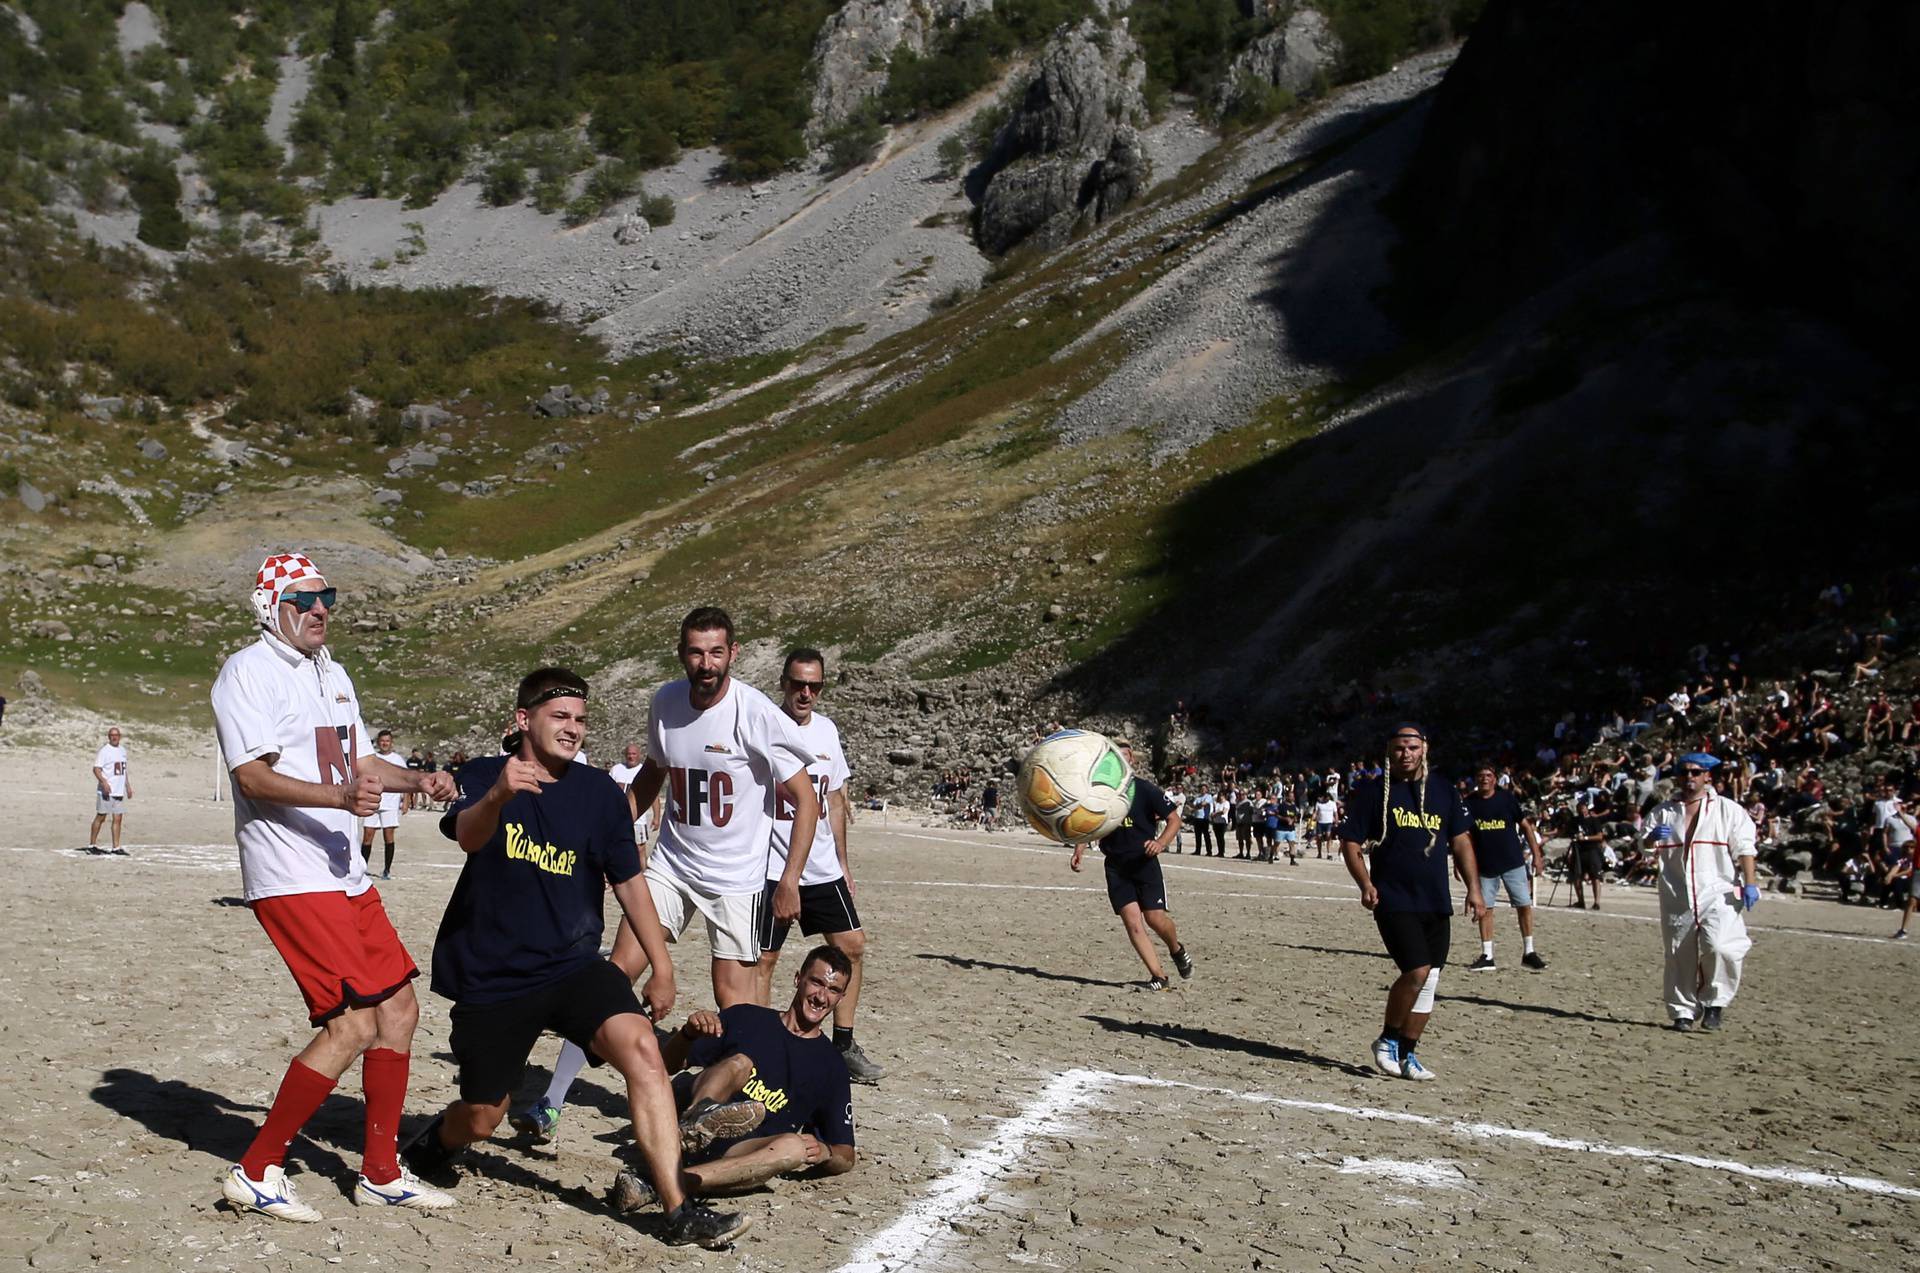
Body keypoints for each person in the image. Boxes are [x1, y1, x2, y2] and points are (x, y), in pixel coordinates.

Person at [401, 666, 749, 1249]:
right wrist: (498, 795)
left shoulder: (599, 796)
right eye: (560, 716)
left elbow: (630, 883)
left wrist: (661, 966)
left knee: (642, 1051)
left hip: (573, 966)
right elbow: (467, 835)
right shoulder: (487, 775)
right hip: (495, 976)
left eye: (581, 719)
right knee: (485, 1115)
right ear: (523, 719)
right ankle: (438, 1141)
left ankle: (678, 1206)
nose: (573, 729)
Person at [209, 552, 457, 1222]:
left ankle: (380, 1171)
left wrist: (418, 780)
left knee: (400, 1009)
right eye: (305, 599)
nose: (321, 610)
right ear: (271, 606)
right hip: (289, 874)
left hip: (341, 871)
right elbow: (252, 777)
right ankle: (258, 1167)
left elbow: (361, 760)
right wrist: (338, 794)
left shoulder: (332, 672)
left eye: (329, 598)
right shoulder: (247, 671)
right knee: (351, 1022)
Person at [514, 608, 817, 1141]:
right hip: (672, 865)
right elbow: (653, 775)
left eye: (717, 652)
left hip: (737, 879)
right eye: (696, 652)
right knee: (614, 974)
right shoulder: (665, 703)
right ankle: (551, 1102)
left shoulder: (757, 712)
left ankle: (741, 1110)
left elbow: (806, 800)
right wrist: (606, 834)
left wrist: (789, 878)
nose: (707, 664)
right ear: (682, 653)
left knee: (735, 1002)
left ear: (733, 653)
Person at [612, 946, 857, 1211]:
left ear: (841, 998)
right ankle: (698, 1121)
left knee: (794, 1148)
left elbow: (846, 1153)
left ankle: (666, 1184)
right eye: (817, 983)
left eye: (833, 990)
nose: (821, 996)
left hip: (742, 1154)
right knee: (740, 1063)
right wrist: (687, 1035)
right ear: (798, 979)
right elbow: (667, 1065)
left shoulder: (831, 1066)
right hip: (684, 1115)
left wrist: (825, 1153)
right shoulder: (748, 1018)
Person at [754, 649, 885, 1084]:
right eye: (797, 684)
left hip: (823, 868)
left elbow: (833, 801)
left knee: (853, 946)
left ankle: (843, 1043)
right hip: (773, 867)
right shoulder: (763, 726)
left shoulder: (827, 731)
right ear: (783, 682)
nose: (805, 692)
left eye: (815, 685)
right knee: (764, 960)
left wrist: (844, 864)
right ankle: (758, 1048)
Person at [1339, 724, 1485, 1081]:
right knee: (1417, 970)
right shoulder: (1374, 793)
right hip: (1394, 897)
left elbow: (1462, 841)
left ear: (1424, 749)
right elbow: (1350, 842)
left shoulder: (1444, 791)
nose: (1406, 753)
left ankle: (1408, 1053)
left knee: (1431, 979)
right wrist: (1365, 883)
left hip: (1435, 899)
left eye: (1412, 747)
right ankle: (1387, 1040)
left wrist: (1474, 889)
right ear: (1389, 752)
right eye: (1399, 748)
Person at [1644, 753, 1758, 1032]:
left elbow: (1744, 848)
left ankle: (1715, 1003)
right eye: (1684, 772)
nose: (1689, 777)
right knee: (1679, 953)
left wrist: (1751, 882)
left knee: (1721, 946)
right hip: (1677, 893)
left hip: (1718, 890)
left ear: (1708, 776)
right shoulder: (1663, 812)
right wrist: (1649, 839)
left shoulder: (1728, 810)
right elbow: (1645, 846)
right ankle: (1682, 1010)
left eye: (1696, 772)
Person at [1069, 737, 1194, 992]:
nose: (1120, 761)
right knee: (1133, 923)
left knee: (1155, 919)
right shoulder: (1101, 793)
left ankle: (1176, 949)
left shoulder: (1145, 789)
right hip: (1116, 866)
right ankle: (1159, 976)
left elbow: (1174, 819)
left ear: (1131, 760)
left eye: (1124, 756)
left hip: (1144, 863)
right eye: (1114, 757)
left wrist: (1160, 843)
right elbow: (1090, 824)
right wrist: (1079, 849)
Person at [1462, 764, 1547, 971]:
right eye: (1480, 776)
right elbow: (1465, 836)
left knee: (1523, 905)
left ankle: (1529, 951)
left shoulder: (1506, 799)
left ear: (1495, 779)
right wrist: (1461, 863)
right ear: (1476, 779)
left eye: (1488, 775)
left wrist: (1537, 855)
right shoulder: (1469, 803)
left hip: (1512, 862)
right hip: (1485, 865)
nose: (1484, 779)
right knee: (1485, 909)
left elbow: (1526, 826)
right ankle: (1487, 954)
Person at [608, 742, 662, 865]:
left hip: (638, 819)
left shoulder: (644, 772)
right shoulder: (616, 770)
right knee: (616, 847)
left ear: (639, 755)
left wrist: (656, 817)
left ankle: (642, 873)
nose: (631, 757)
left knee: (639, 849)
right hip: (617, 817)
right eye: (628, 754)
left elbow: (654, 797)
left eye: (634, 754)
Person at [360, 730, 404, 879]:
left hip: (390, 804)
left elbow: (405, 780)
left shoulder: (397, 759)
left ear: (391, 743)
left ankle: (387, 870)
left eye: (387, 741)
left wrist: (406, 802)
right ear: (378, 742)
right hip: (372, 801)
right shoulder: (373, 758)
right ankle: (362, 868)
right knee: (367, 835)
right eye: (382, 741)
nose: (385, 743)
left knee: (388, 836)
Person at [89, 726, 131, 853]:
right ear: (109, 737)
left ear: (119, 737)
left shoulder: (122, 751)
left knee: (118, 818)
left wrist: (127, 786)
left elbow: (123, 770)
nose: (114, 737)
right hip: (106, 791)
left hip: (118, 790)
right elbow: (96, 769)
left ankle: (116, 847)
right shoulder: (104, 751)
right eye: (112, 735)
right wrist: (103, 782)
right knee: (101, 816)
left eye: (116, 735)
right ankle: (92, 845)